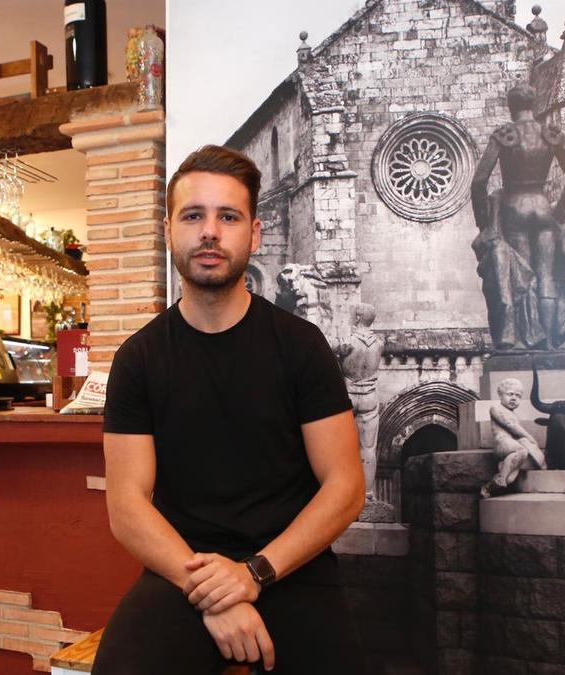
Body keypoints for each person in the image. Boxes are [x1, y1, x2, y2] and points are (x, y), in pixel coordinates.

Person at [94, 145, 367, 675]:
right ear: (170, 229)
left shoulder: (302, 346)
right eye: (194, 215)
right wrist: (213, 592)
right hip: (182, 569)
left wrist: (253, 574)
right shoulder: (139, 359)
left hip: (292, 567)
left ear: (255, 233)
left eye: (228, 216)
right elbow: (127, 507)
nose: (210, 232)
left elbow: (345, 487)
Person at [470, 83, 565, 351]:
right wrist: (557, 215)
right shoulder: (550, 135)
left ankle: (523, 338)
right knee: (545, 275)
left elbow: (479, 182)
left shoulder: (504, 136)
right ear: (532, 105)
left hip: (514, 207)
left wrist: (484, 221)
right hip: (542, 206)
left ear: (511, 107)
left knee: (520, 276)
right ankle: (548, 341)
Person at [333, 303, 387, 518]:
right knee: (368, 448)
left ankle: (339, 494)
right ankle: (367, 494)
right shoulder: (379, 344)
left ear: (356, 317)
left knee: (339, 448)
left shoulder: (346, 342)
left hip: (347, 394)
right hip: (370, 397)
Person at [481, 378, 545, 498]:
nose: (514, 398)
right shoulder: (496, 408)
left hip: (511, 444)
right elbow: (510, 425)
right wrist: (528, 436)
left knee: (510, 477)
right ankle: (501, 477)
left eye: (518, 396)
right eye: (510, 394)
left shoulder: (514, 414)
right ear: (500, 394)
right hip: (502, 442)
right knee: (521, 450)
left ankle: (489, 486)